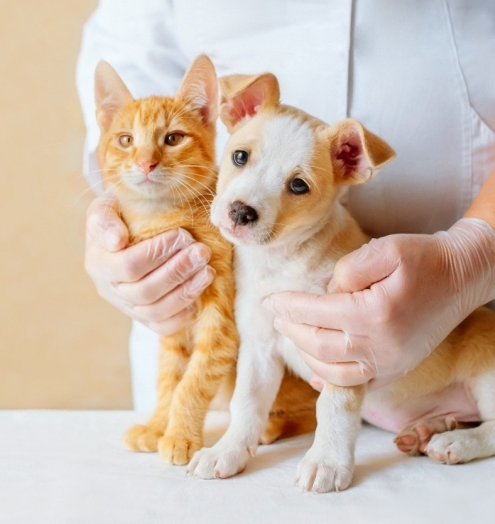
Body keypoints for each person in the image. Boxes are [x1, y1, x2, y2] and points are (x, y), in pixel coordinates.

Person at [77, 0, 495, 413]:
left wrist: (476, 253)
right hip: (229, 379)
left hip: (456, 335)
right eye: (241, 157)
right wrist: (124, 205)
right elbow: (124, 72)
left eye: (297, 185)